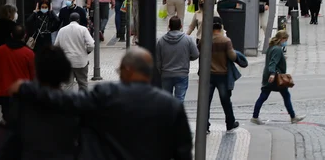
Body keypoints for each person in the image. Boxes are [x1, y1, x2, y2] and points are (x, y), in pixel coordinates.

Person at [14, 47, 193, 159]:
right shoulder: (170, 105)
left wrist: (26, 88)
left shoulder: (109, 95)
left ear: (128, 70)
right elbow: (183, 151)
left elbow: (68, 101)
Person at [252, 31, 305, 124]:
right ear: (282, 39)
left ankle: (255, 117)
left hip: (269, 76)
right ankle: (293, 117)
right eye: (285, 40)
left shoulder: (272, 47)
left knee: (264, 96)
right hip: (275, 77)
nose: (286, 42)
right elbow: (273, 62)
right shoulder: (277, 49)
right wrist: (272, 74)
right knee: (285, 95)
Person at [0, 25, 35, 121]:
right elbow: (33, 75)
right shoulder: (29, 53)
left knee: (7, 119)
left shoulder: (0, 51)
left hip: (4, 92)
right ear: (25, 36)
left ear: (11, 35)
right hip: (23, 92)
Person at [156, 16, 199, 102]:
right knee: (179, 99)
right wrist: (187, 58)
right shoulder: (188, 39)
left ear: (169, 26)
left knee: (166, 100)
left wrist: (160, 71)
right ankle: (177, 114)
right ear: (181, 26)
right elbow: (196, 54)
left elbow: (157, 59)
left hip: (166, 73)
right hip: (182, 73)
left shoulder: (161, 41)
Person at [54, 13, 95, 91]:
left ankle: (68, 102)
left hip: (66, 61)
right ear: (78, 20)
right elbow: (91, 45)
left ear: (69, 20)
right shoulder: (83, 29)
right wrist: (86, 51)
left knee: (67, 85)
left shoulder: (62, 30)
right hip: (81, 61)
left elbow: (56, 46)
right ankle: (82, 101)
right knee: (83, 84)